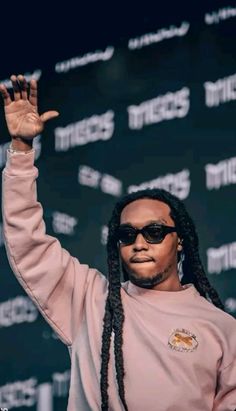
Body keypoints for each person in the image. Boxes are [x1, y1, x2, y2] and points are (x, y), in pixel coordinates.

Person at [1, 75, 236, 411]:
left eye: (154, 232)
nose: (139, 243)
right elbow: (27, 242)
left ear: (180, 240)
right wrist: (22, 151)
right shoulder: (90, 302)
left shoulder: (222, 329)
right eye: (127, 235)